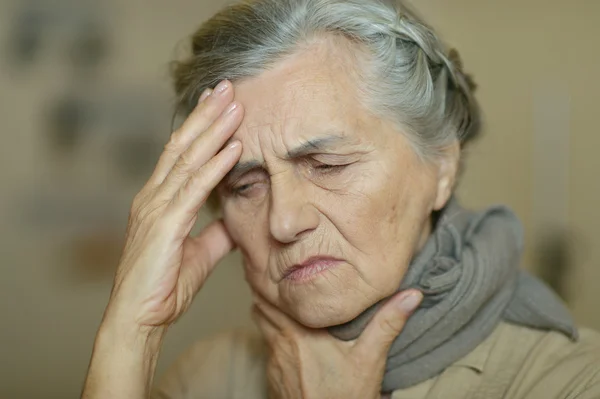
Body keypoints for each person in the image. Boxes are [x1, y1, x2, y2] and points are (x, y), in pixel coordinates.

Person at [81, 0, 600, 398]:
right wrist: (131, 334)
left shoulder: (567, 378)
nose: (283, 221)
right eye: (245, 186)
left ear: (442, 164)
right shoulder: (213, 378)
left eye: (327, 166)